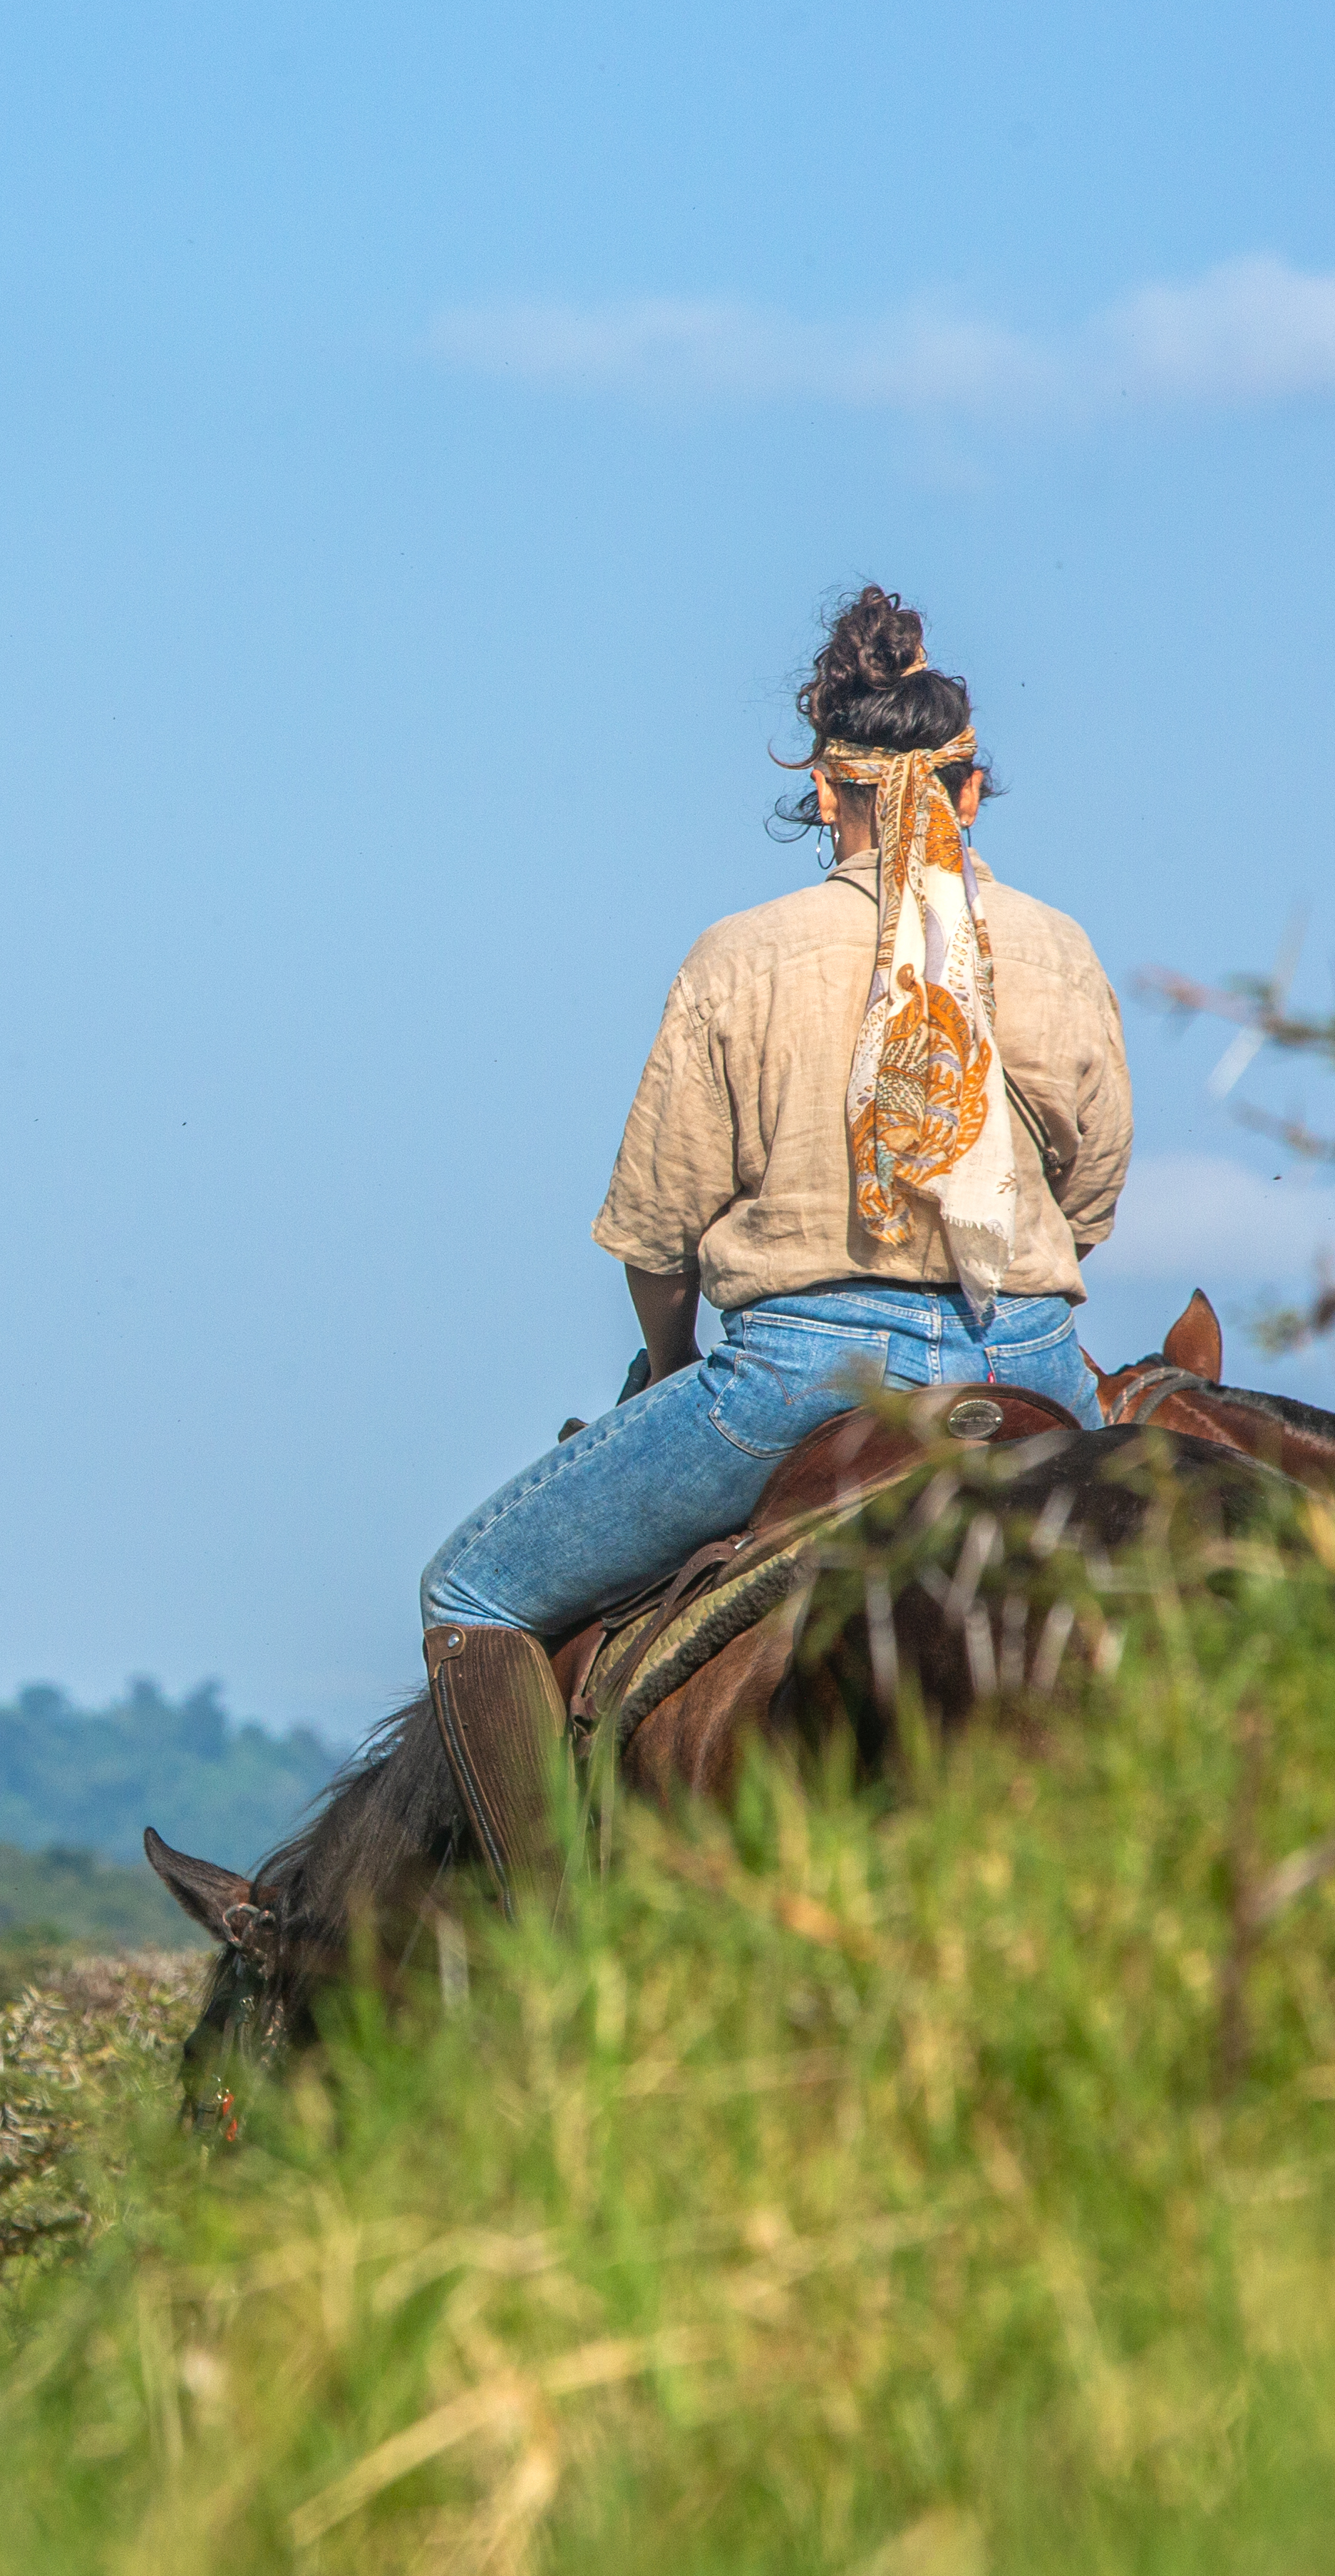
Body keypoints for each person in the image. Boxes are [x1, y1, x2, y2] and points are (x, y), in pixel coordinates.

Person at [417, 585, 1132, 1874]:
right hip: (1027, 1361)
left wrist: (676, 1363)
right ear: (971, 793)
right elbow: (1091, 1197)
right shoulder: (1058, 948)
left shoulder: (739, 957)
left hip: (804, 1375)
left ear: (824, 794)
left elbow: (656, 1236)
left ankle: (557, 1959)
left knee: (468, 1595)